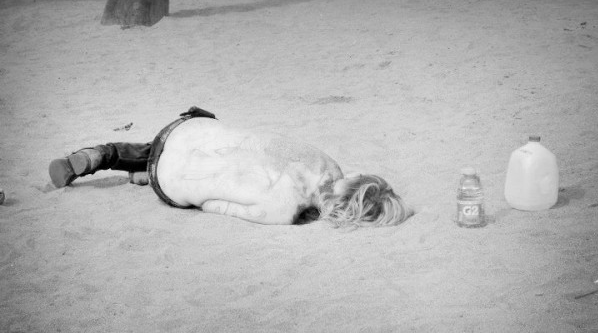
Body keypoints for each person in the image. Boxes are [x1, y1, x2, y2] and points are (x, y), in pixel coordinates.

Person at [49, 107, 412, 227]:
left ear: (354, 176)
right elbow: (212, 205)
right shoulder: (282, 213)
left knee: (201, 140)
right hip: (169, 180)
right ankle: (145, 174)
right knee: (185, 176)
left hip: (186, 127)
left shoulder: (326, 162)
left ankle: (105, 154)